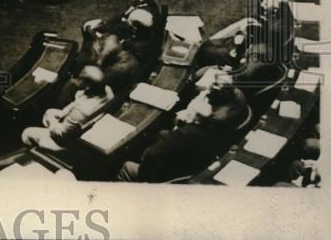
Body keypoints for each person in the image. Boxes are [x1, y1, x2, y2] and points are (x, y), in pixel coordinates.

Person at [117, 81, 249, 182]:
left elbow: (149, 156)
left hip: (168, 175)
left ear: (208, 109)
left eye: (203, 98)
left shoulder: (187, 133)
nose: (199, 98)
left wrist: (181, 124)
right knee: (161, 133)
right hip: (199, 159)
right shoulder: (236, 103)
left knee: (126, 166)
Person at [20, 65, 112, 150]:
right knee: (50, 112)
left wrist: (52, 121)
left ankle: (31, 153)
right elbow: (78, 102)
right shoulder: (108, 90)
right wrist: (61, 113)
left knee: (27, 132)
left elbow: (61, 134)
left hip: (63, 142)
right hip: (77, 124)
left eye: (80, 79)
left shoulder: (80, 111)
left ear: (88, 86)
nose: (77, 81)